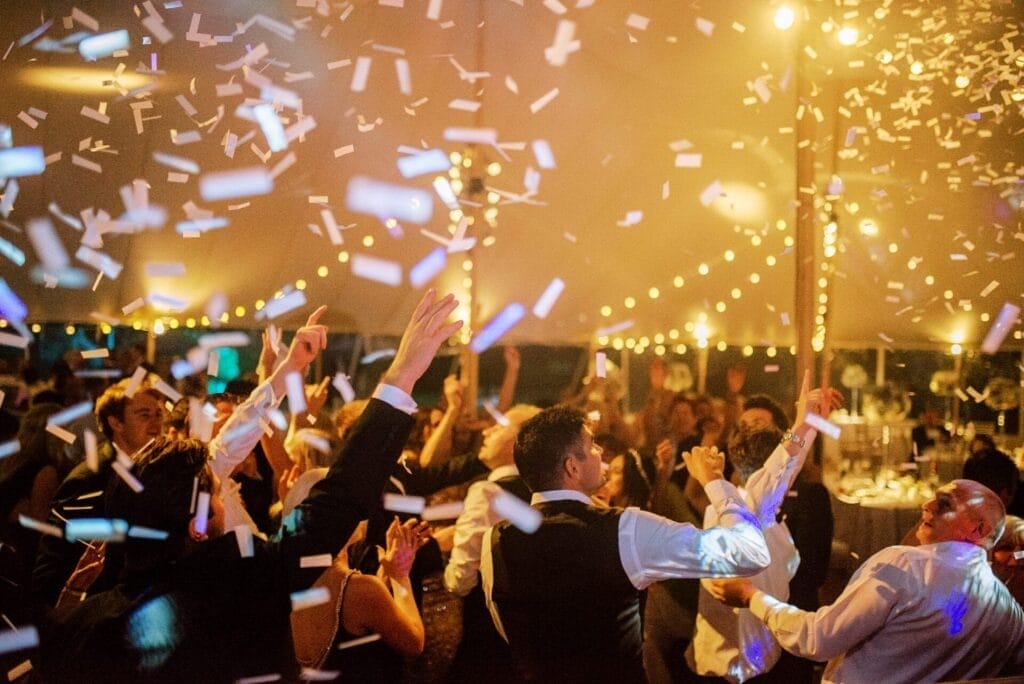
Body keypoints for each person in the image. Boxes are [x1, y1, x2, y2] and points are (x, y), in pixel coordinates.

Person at [36, 289, 463, 681]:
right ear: (198, 527)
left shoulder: (77, 626)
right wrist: (403, 373)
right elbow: (339, 497)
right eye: (216, 491)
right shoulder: (241, 587)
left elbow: (220, 452)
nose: (223, 490)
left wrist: (281, 376)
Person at [481, 405, 770, 683]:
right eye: (592, 445)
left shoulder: (494, 540)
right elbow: (748, 552)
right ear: (572, 467)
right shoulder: (626, 529)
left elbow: (508, 629)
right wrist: (715, 482)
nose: (600, 452)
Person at [708, 479, 1024, 683]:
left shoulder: (904, 564)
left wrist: (752, 597)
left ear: (978, 530)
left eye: (945, 504)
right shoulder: (1010, 613)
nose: (925, 506)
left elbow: (819, 637)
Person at [443, 404, 540, 682]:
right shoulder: (546, 495)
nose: (487, 432)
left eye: (498, 427)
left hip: (488, 629)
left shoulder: (487, 493)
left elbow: (461, 579)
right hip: (533, 636)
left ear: (517, 443)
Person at [292, 517, 431, 680]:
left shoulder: (295, 575)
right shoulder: (360, 588)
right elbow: (413, 644)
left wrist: (386, 573)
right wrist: (400, 576)